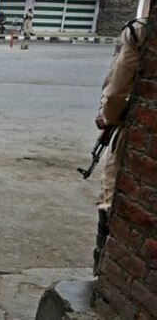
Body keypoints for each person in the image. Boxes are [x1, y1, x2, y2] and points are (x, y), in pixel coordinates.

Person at [92, 16, 149, 274]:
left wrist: (108, 118)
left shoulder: (141, 32)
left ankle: (103, 276)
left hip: (139, 136)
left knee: (112, 198)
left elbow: (115, 93)